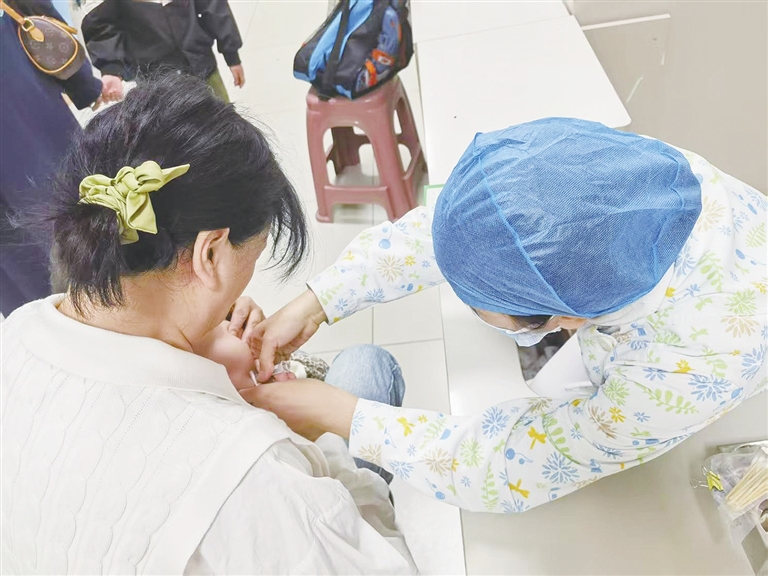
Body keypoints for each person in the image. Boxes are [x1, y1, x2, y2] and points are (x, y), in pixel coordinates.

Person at [0, 74, 416, 574]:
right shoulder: (260, 478)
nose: (238, 310)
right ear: (210, 254)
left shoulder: (21, 330)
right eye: (251, 260)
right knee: (368, 368)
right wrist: (310, 441)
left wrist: (202, 330)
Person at [245, 118, 767, 513]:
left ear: (566, 319)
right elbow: (474, 228)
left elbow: (511, 466)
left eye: (479, 302)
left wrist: (347, 416)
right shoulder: (631, 184)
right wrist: (320, 298)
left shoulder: (681, 372)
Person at [0, 0, 102, 317]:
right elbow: (37, 11)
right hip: (29, 123)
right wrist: (84, 85)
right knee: (85, 234)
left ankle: (52, 335)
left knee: (24, 281)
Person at [80, 0, 245, 103]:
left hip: (201, 64)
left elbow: (214, 5)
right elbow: (99, 23)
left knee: (226, 128)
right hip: (156, 80)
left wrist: (232, 54)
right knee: (179, 138)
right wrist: (111, 68)